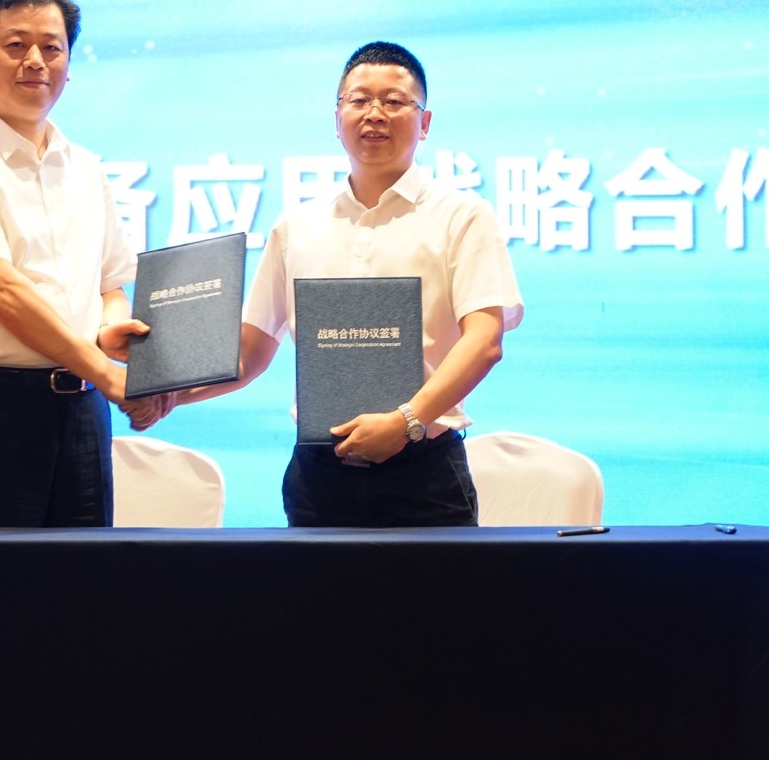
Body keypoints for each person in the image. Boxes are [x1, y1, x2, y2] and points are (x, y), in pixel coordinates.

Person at [180, 41, 523, 527]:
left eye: (395, 101)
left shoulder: (462, 216)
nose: (375, 114)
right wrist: (166, 391)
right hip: (318, 475)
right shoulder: (296, 226)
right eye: (359, 100)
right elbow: (248, 355)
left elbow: (485, 341)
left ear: (424, 122)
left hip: (423, 472)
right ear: (337, 117)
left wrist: (405, 422)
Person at [0, 0, 167, 528]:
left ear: (68, 64)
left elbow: (109, 285)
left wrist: (109, 331)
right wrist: (108, 375)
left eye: (52, 47)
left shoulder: (86, 166)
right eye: (16, 45)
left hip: (82, 412)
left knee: (86, 579)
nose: (36, 61)